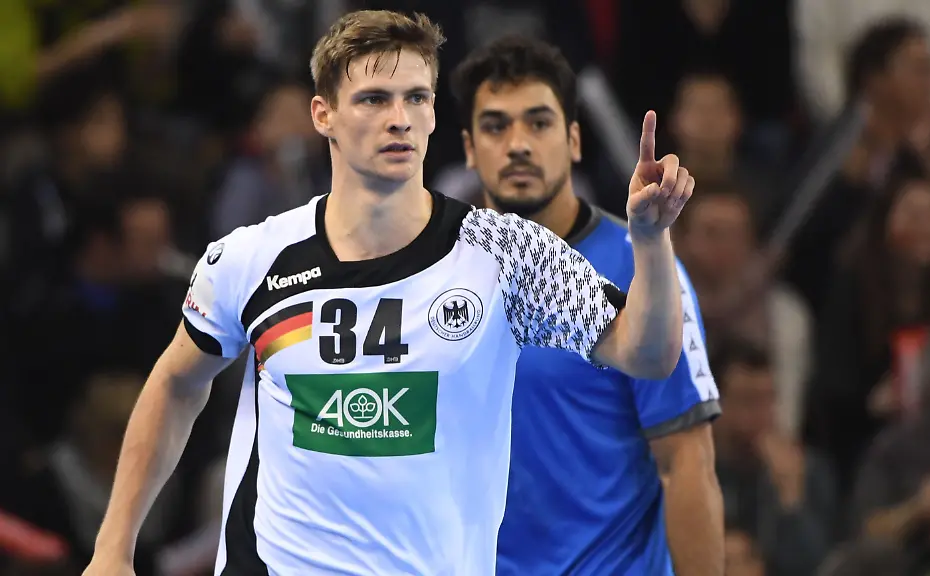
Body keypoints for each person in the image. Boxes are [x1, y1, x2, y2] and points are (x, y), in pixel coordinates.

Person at [83, 10, 694, 576]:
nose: (399, 117)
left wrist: (649, 239)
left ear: (433, 115)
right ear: (323, 114)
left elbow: (647, 355)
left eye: (416, 98)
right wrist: (112, 549)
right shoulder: (251, 256)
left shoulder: (506, 254)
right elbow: (175, 383)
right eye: (374, 98)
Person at [450, 36, 722, 576]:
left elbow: (686, 462)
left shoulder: (643, 267)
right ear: (469, 148)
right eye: (496, 126)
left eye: (539, 123)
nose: (518, 144)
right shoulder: (437, 273)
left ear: (574, 140)